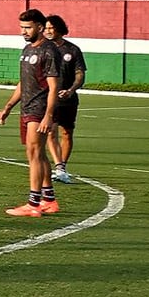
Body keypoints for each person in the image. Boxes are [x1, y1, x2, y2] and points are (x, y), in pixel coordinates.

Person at [0, 9, 62, 217]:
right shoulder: (27, 50)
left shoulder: (49, 50)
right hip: (27, 108)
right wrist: (8, 106)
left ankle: (33, 204)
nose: (23, 31)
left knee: (34, 154)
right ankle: (49, 200)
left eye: (27, 27)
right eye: (21, 27)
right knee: (38, 154)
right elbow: (24, 82)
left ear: (40, 27)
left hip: (39, 109)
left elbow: (54, 87)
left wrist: (48, 116)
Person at [44, 14, 86, 184]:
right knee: (51, 131)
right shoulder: (42, 49)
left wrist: (71, 90)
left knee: (67, 133)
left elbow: (80, 74)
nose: (48, 31)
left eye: (51, 28)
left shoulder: (72, 50)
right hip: (49, 99)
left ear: (59, 29)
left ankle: (62, 167)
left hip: (68, 100)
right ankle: (59, 166)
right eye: (45, 28)